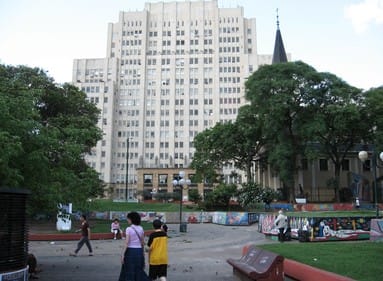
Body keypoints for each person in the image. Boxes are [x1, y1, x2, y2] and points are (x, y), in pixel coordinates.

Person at [119, 211, 149, 281]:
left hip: (130, 251)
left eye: (128, 219)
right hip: (138, 251)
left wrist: (122, 254)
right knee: (138, 269)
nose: (127, 220)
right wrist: (143, 254)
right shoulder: (141, 228)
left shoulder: (128, 229)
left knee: (129, 269)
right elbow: (142, 242)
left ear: (131, 219)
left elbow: (126, 243)